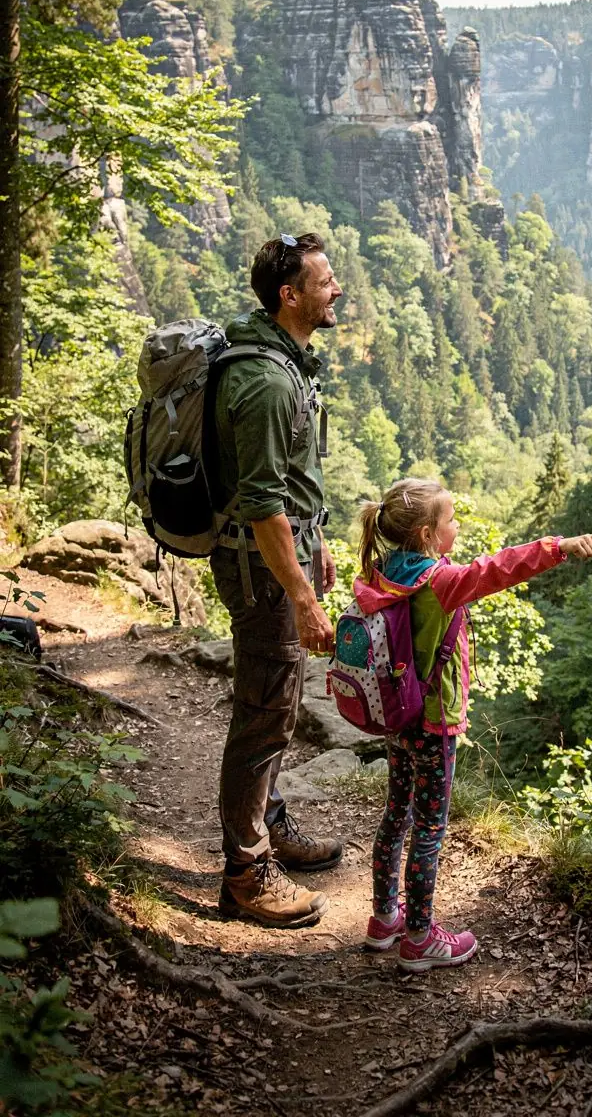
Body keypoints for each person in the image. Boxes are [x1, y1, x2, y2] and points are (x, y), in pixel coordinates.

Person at [354, 478, 592, 972]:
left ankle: (385, 916)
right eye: (451, 520)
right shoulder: (441, 582)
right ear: (429, 534)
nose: (458, 526)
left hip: (398, 716)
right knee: (429, 827)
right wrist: (557, 547)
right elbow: (499, 569)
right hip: (433, 724)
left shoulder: (383, 571)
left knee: (395, 815)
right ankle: (420, 939)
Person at [210, 232, 343, 929]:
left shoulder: (284, 359)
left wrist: (312, 544)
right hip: (259, 569)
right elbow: (262, 505)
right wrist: (303, 594)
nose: (337, 289)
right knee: (265, 711)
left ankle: (272, 822)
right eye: (326, 281)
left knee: (276, 703)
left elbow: (289, 485)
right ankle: (246, 871)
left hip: (275, 557)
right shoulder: (264, 380)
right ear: (290, 295)